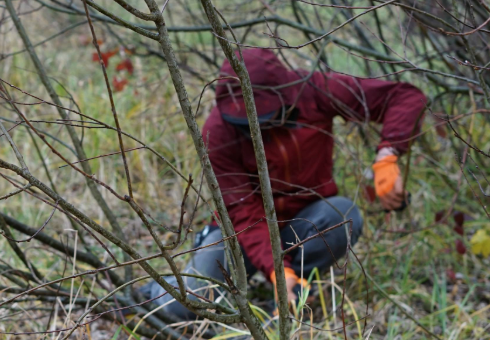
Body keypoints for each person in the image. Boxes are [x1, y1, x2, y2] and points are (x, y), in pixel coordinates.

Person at [139, 48, 427, 320]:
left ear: (284, 97)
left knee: (342, 216)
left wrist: (387, 156)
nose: (257, 128)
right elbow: (244, 214)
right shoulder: (218, 132)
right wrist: (276, 270)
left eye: (265, 118)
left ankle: (296, 293)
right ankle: (158, 291)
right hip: (243, 233)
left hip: (305, 221)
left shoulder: (312, 90)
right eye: (246, 123)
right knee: (180, 307)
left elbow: (404, 97)